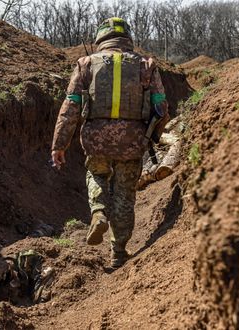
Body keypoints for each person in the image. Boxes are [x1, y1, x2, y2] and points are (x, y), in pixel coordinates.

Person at [51, 17, 169, 268]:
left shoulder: (85, 64)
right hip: (133, 141)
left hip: (96, 140)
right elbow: (161, 106)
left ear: (100, 38)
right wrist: (155, 137)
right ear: (127, 39)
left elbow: (70, 106)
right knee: (125, 194)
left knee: (96, 174)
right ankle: (118, 252)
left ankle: (98, 213)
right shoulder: (146, 65)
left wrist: (59, 145)